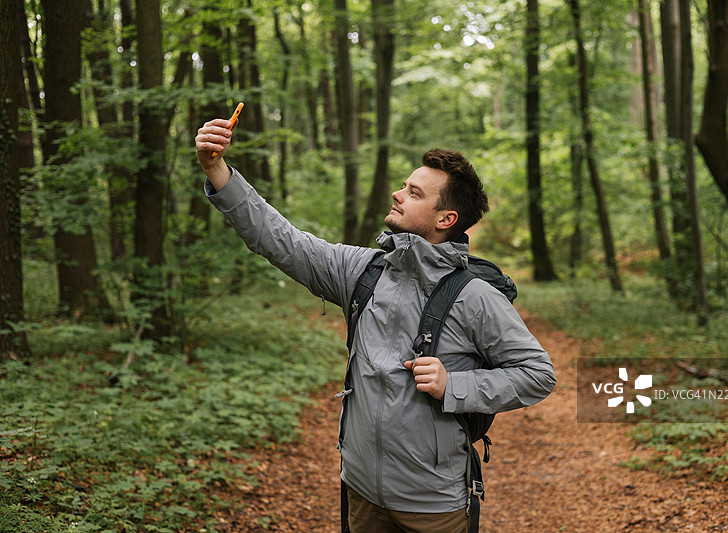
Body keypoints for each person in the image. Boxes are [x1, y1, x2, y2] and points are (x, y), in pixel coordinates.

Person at [195, 117, 556, 533]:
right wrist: (217, 171)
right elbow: (281, 239)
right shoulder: (362, 270)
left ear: (445, 219)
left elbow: (537, 374)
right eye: (404, 185)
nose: (398, 194)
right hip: (361, 491)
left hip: (434, 505)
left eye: (414, 193)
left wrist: (454, 385)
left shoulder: (475, 296)